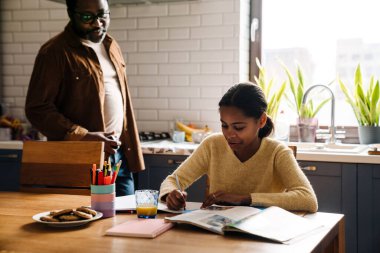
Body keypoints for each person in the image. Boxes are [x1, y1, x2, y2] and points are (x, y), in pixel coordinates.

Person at [25, 0, 144, 196]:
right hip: (79, 159)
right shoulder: (54, 52)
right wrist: (85, 136)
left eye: (102, 15)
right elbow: (37, 108)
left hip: (118, 155)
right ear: (71, 15)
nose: (98, 24)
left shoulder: (111, 45)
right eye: (87, 17)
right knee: (83, 221)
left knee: (127, 220)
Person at [159, 82, 318, 212]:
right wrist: (169, 195)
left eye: (239, 127)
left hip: (263, 237)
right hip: (218, 232)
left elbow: (308, 199)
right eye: (224, 125)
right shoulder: (212, 144)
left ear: (261, 121)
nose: (230, 134)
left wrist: (245, 198)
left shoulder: (277, 152)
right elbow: (173, 181)